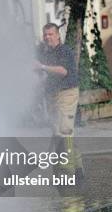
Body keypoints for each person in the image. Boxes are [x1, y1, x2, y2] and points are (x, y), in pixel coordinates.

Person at [35, 23, 84, 184]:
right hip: (52, 94)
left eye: (50, 34)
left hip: (67, 92)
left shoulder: (64, 51)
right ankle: (78, 171)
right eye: (45, 35)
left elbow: (63, 71)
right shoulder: (44, 52)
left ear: (57, 35)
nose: (48, 37)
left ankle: (67, 173)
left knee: (64, 131)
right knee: (60, 131)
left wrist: (42, 67)